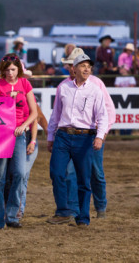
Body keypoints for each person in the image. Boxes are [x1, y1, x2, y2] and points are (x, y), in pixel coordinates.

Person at [46, 54, 109, 227]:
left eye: (89, 66)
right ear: (74, 69)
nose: (87, 69)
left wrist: (99, 136)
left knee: (83, 178)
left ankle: (82, 217)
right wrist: (51, 137)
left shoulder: (95, 90)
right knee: (57, 173)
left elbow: (102, 116)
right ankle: (64, 211)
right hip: (63, 135)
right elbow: (56, 114)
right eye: (82, 66)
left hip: (85, 136)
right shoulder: (63, 87)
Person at [0, 53, 38, 229]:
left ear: (19, 70)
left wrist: (24, 125)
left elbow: (34, 112)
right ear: (3, 70)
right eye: (7, 70)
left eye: (13, 69)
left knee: (19, 173)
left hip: (18, 134)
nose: (10, 73)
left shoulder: (25, 83)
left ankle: (12, 215)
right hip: (1, 135)